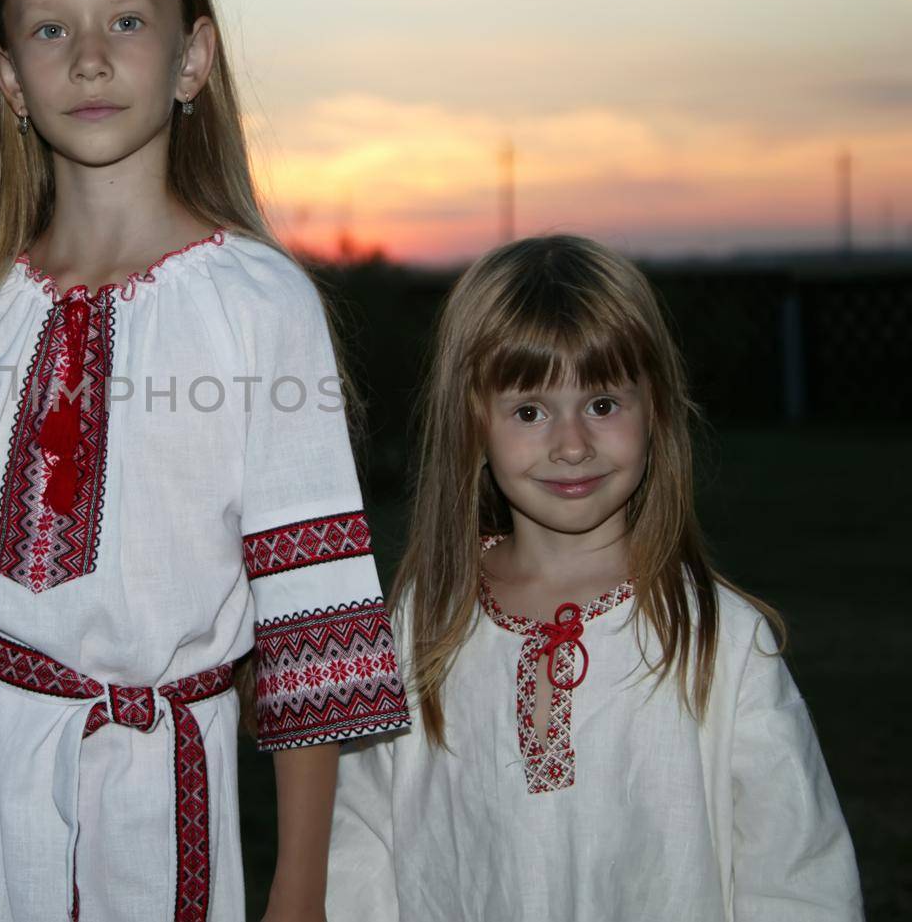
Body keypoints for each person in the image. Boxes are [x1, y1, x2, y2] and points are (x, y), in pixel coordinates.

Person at [0, 0, 409, 922]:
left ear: (192, 56)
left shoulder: (256, 304)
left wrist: (299, 891)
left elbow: (309, 609)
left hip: (153, 788)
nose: (89, 57)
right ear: (7, 76)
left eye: (126, 21)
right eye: (50, 29)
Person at [326, 235, 863, 921]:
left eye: (603, 403)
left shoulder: (723, 641)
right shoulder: (423, 625)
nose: (572, 442)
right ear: (473, 424)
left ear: (656, 409)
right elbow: (363, 848)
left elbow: (797, 877)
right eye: (529, 410)